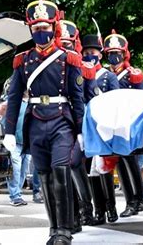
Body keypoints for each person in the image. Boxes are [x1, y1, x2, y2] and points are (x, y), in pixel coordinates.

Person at [4, 0, 84, 245]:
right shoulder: (22, 60)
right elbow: (14, 98)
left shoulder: (67, 58)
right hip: (35, 121)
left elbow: (77, 97)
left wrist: (81, 130)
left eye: (45, 27)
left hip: (61, 120)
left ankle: (64, 231)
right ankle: (54, 228)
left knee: (60, 172)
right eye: (36, 28)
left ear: (53, 27)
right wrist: (7, 131)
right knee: (45, 176)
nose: (41, 31)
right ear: (31, 28)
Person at [104, 30, 143, 218]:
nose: (114, 57)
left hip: (129, 124)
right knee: (118, 163)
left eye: (117, 53)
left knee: (129, 161)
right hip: (110, 124)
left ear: (124, 54)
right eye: (110, 53)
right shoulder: (105, 75)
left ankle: (137, 199)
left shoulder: (132, 75)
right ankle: (131, 199)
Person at [59, 19, 95, 232]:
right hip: (59, 119)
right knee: (63, 166)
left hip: (79, 121)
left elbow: (90, 99)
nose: (65, 46)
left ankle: (86, 207)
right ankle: (71, 216)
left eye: (68, 42)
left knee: (74, 164)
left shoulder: (85, 68)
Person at [81, 34, 120, 225]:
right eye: (86, 53)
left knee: (102, 168)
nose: (89, 56)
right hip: (88, 126)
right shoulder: (80, 74)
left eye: (93, 52)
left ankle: (110, 208)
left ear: (100, 54)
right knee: (91, 170)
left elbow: (116, 101)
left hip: (104, 125)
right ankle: (99, 211)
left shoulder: (108, 76)